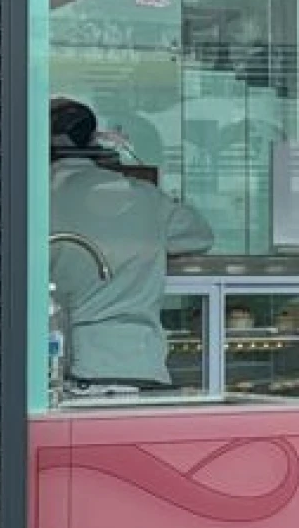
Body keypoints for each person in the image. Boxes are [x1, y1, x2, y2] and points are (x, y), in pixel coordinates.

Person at [49, 97, 214, 390]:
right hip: (143, 365)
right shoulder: (143, 195)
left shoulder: (37, 199)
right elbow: (201, 236)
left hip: (74, 366)